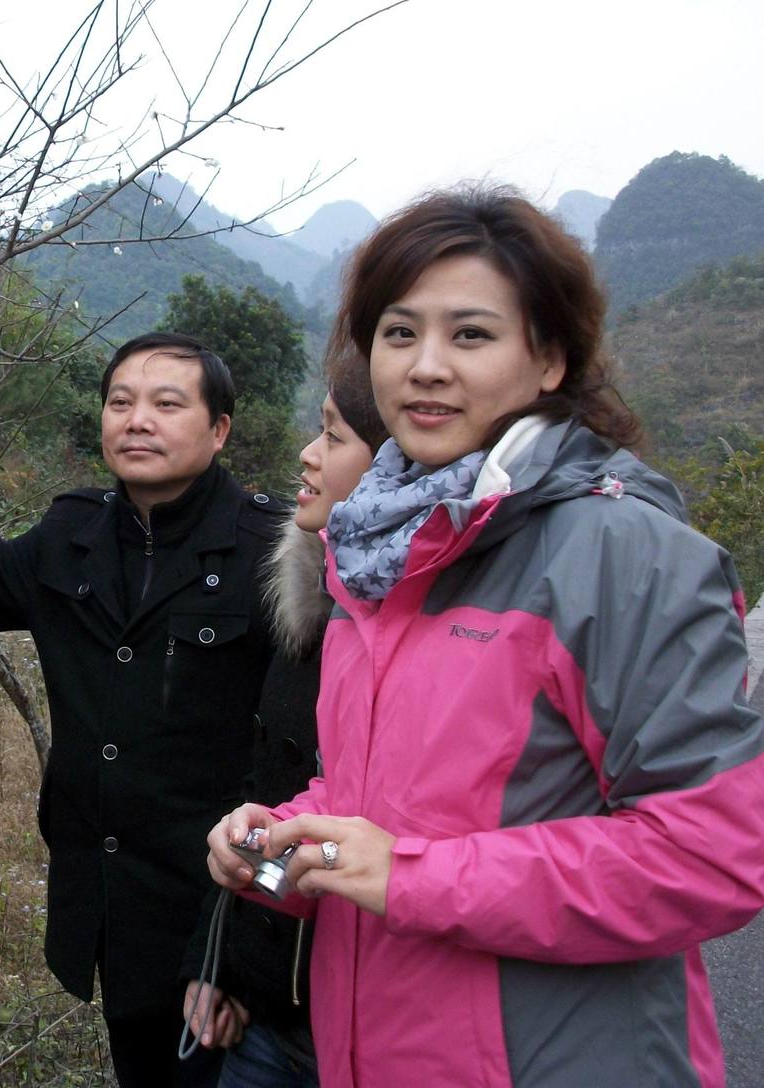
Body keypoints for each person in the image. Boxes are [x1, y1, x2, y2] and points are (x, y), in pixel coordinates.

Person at [205, 186, 764, 1087]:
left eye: (469, 335)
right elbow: (389, 799)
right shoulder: (375, 551)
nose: (424, 366)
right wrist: (290, 835)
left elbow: (710, 855)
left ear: (547, 359)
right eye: (397, 333)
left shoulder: (623, 554)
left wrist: (407, 875)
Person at [0, 332, 288, 1087]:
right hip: (111, 911)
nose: (137, 420)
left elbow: (294, 772)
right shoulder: (71, 535)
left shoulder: (270, 556)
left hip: (217, 917)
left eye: (167, 405)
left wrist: (236, 955)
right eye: (120, 402)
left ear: (219, 429)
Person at [181, 354, 387, 1088]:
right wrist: (221, 959)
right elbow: (266, 793)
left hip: (387, 1016)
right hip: (273, 1010)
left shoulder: (429, 638)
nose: (306, 453)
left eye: (332, 436)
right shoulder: (315, 614)